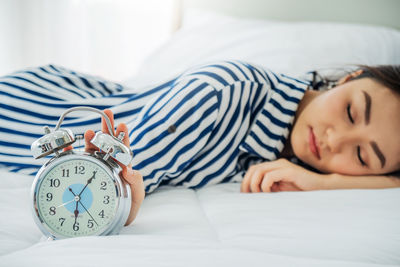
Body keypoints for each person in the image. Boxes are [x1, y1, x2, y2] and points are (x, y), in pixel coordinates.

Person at [1, 61, 400, 226]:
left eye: (362, 155)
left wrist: (326, 183)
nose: (335, 141)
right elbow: (101, 185)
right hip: (25, 111)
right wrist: (124, 200)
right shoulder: (221, 94)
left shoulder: (296, 153)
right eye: (350, 112)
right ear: (348, 78)